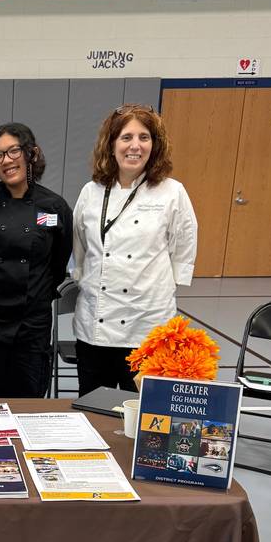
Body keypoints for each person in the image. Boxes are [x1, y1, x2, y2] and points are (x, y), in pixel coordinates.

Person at [72, 104, 198, 396]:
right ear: (111, 144)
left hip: (148, 324)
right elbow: (80, 245)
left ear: (155, 145)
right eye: (126, 137)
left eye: (144, 137)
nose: (135, 146)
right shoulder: (91, 191)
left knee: (144, 413)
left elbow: (184, 245)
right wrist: (81, 275)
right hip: (95, 325)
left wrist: (173, 281)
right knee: (94, 406)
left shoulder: (172, 192)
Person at [0, 122, 73, 398]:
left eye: (13, 151)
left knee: (30, 400)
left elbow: (58, 264)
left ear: (31, 153)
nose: (6, 160)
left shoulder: (55, 207)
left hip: (31, 324)